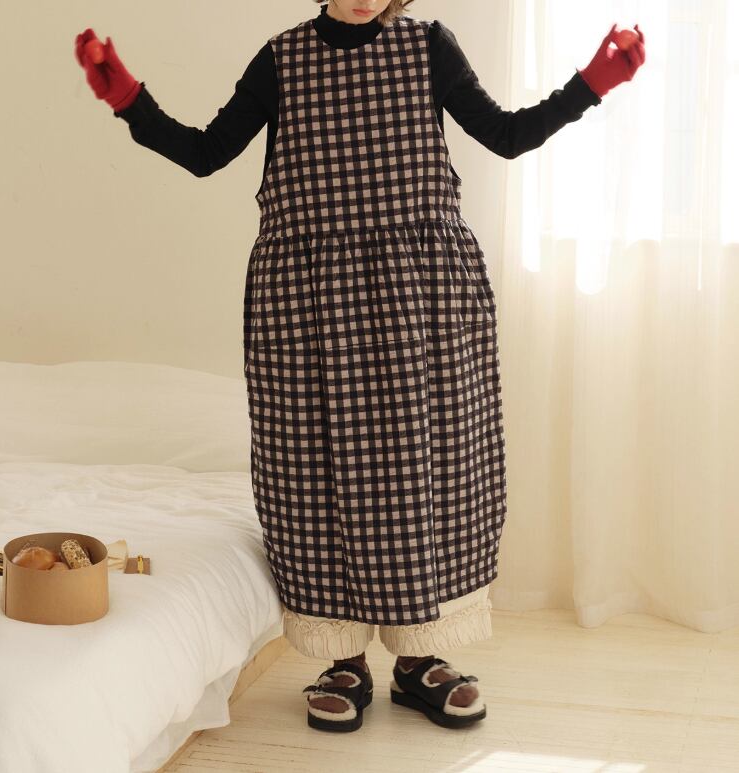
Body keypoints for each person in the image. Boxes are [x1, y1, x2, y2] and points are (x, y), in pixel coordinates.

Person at [74, 0, 645, 733]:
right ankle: (342, 658)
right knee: (314, 468)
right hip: (307, 300)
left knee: (427, 467)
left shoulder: (429, 48)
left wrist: (593, 82)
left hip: (420, 294)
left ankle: (419, 657)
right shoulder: (281, 60)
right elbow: (205, 152)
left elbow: (505, 135)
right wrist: (127, 97)